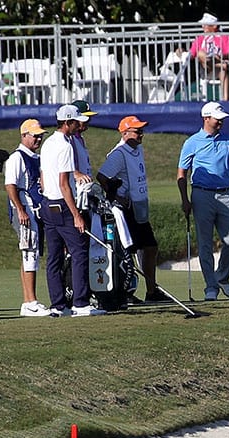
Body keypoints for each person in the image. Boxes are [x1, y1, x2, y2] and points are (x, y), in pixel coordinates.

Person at [177, 101, 229, 301]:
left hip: (226, 194)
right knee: (205, 243)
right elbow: (182, 172)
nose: (220, 123)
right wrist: (185, 199)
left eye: (222, 119)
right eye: (217, 119)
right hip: (201, 195)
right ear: (206, 118)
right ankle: (211, 286)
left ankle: (223, 278)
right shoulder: (192, 142)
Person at [39, 105, 106, 317]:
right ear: (67, 123)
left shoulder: (48, 143)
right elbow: (64, 184)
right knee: (79, 252)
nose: (79, 124)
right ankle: (80, 303)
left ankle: (58, 305)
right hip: (63, 205)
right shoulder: (65, 145)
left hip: (47, 204)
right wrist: (76, 215)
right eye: (76, 121)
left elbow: (42, 176)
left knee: (54, 258)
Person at [97, 116, 169, 303]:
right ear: (125, 133)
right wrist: (118, 196)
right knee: (127, 252)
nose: (141, 134)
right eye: (137, 131)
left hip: (139, 206)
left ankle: (151, 292)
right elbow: (102, 176)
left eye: (141, 131)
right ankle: (125, 292)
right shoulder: (118, 154)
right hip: (125, 209)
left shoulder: (138, 149)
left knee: (150, 247)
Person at [4, 119, 50, 316]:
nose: (38, 138)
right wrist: (20, 209)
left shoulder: (35, 157)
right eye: (35, 135)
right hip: (24, 209)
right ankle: (30, 301)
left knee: (30, 253)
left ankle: (28, 301)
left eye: (40, 135)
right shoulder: (17, 157)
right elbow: (10, 186)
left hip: (35, 209)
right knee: (30, 251)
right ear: (24, 135)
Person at [189, 13, 229, 101]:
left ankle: (226, 100)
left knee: (223, 69)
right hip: (206, 68)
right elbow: (192, 54)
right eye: (202, 25)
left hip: (222, 68)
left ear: (214, 26)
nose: (203, 27)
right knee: (200, 53)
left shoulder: (226, 37)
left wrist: (218, 57)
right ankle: (216, 63)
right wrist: (181, 52)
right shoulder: (200, 38)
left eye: (205, 25)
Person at [70, 99, 97, 184]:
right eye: (86, 118)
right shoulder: (69, 138)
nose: (88, 121)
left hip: (84, 185)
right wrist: (76, 173)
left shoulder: (80, 138)